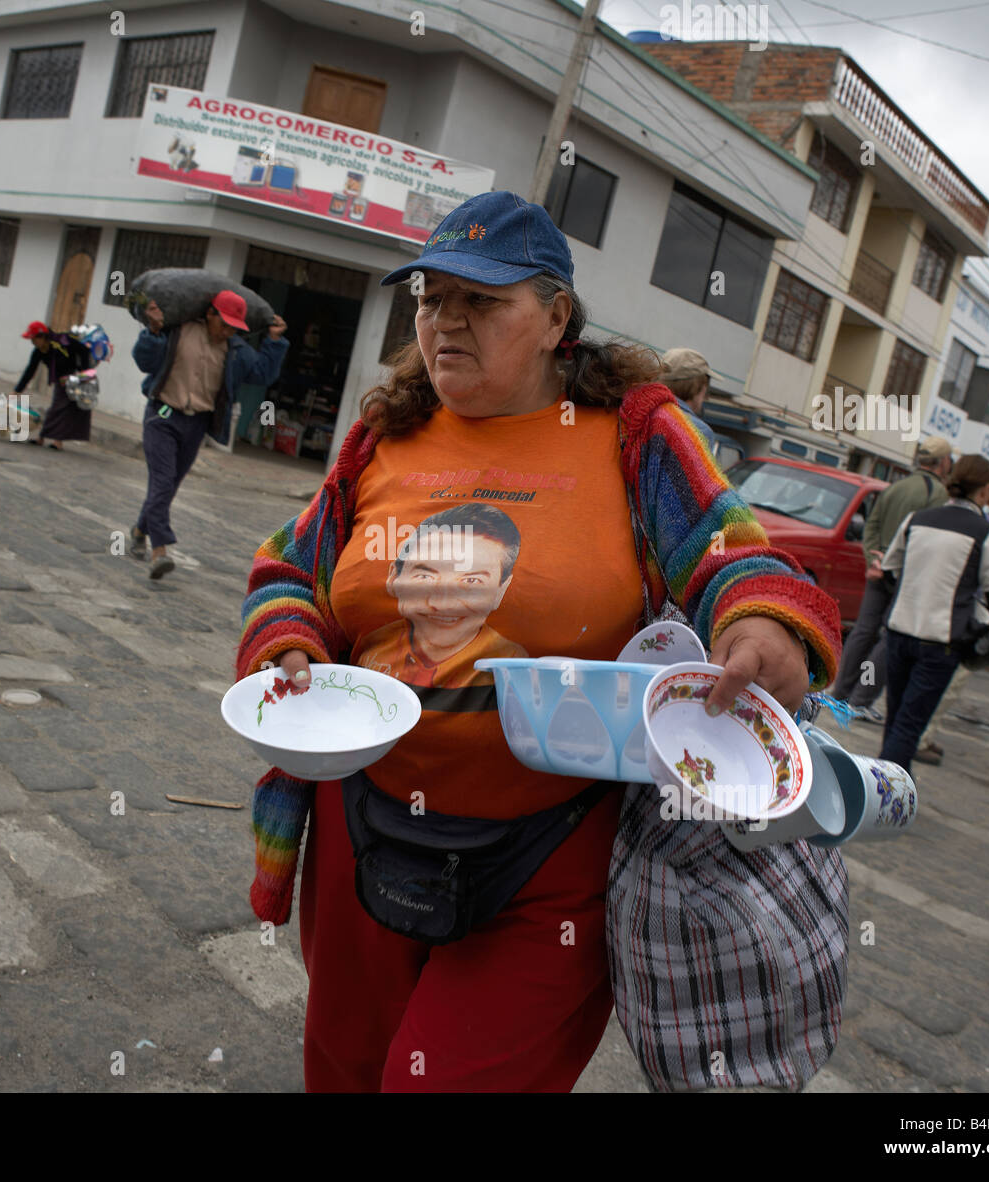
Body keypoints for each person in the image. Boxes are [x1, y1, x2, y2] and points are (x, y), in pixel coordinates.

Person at [234, 190, 843, 1093]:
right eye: (432, 298)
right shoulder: (381, 437)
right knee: (346, 1072)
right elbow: (290, 569)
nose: (447, 322)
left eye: (482, 301)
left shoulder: (634, 435)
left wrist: (760, 620)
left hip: (550, 857)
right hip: (362, 825)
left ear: (558, 316)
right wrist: (288, 644)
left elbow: (733, 557)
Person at [131, 291, 288, 579]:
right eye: (224, 323)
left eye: (233, 327)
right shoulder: (177, 332)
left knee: (169, 485)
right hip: (162, 415)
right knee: (163, 482)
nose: (227, 331)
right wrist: (152, 331)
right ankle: (160, 550)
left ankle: (140, 530)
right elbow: (145, 361)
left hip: (197, 424)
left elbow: (263, 374)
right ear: (209, 314)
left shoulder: (236, 350)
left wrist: (274, 341)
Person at [877, 454, 989, 774]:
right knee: (909, 725)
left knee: (895, 718)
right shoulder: (987, 533)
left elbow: (889, 571)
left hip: (900, 630)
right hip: (941, 641)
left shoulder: (917, 519)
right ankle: (885, 797)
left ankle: (889, 790)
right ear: (986, 490)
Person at [831, 435, 952, 722]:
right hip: (906, 574)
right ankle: (861, 698)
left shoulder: (895, 487)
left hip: (878, 566)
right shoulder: (938, 495)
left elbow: (871, 526)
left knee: (863, 632)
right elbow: (927, 539)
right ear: (944, 462)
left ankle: (839, 694)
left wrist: (873, 557)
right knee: (887, 638)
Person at [355, 504, 529, 686]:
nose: (443, 603)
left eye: (471, 581)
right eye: (425, 577)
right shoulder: (370, 648)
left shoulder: (515, 668)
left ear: (500, 591)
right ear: (394, 577)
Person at [13, 320, 93, 450]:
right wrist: (17, 390)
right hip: (61, 380)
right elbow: (30, 371)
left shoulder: (62, 343)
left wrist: (84, 373)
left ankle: (48, 439)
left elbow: (83, 350)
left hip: (74, 377)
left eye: (33, 339)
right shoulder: (38, 351)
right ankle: (53, 440)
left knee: (60, 408)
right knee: (61, 408)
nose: (32, 343)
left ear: (42, 337)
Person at [658, 346, 716, 452]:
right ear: (697, 387)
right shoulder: (699, 431)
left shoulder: (640, 410)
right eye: (706, 388)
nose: (705, 397)